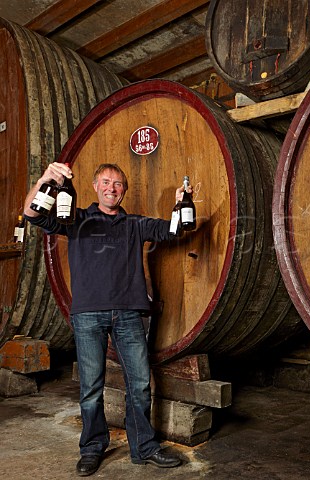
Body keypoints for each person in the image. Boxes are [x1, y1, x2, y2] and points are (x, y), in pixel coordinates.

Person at [24, 162, 192, 476]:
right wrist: (46, 178)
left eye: (117, 183)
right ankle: (92, 448)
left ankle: (143, 447)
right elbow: (32, 215)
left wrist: (180, 203)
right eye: (105, 182)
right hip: (88, 314)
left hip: (129, 314)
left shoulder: (135, 224)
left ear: (123, 190)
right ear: (95, 186)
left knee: (140, 385)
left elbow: (173, 229)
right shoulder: (76, 218)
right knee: (90, 387)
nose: (111, 188)